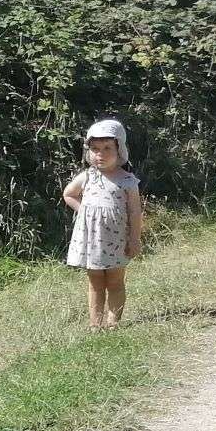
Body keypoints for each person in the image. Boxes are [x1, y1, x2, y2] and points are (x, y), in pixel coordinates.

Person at [64, 118, 145, 329]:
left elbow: (135, 212)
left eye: (107, 148)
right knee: (95, 283)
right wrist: (85, 213)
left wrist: (134, 240)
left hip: (117, 240)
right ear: (88, 151)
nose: (100, 154)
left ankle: (113, 323)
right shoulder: (87, 177)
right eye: (95, 148)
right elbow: (68, 195)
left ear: (120, 149)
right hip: (92, 242)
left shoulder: (127, 180)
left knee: (115, 282)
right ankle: (95, 324)